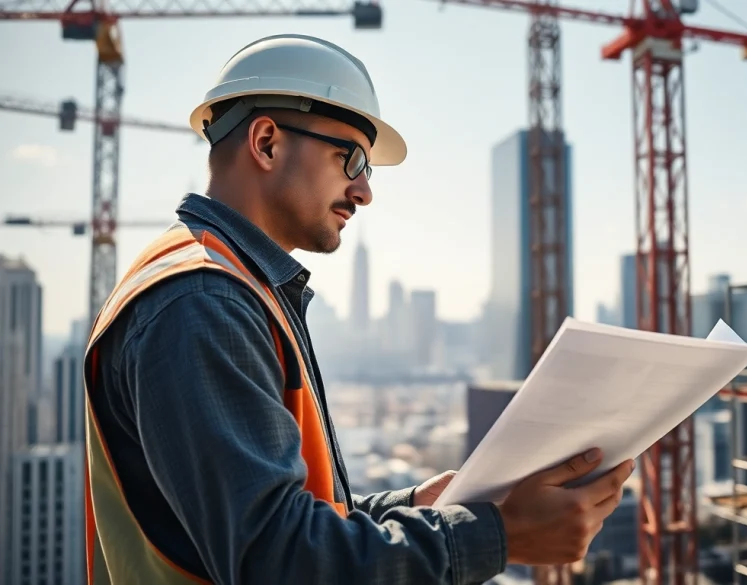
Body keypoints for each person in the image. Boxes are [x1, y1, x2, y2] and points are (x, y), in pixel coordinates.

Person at [82, 33, 634, 585]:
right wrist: (500, 534)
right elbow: (279, 561)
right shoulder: (204, 300)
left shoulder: (229, 285)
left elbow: (286, 521)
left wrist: (420, 507)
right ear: (267, 142)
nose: (365, 190)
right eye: (352, 159)